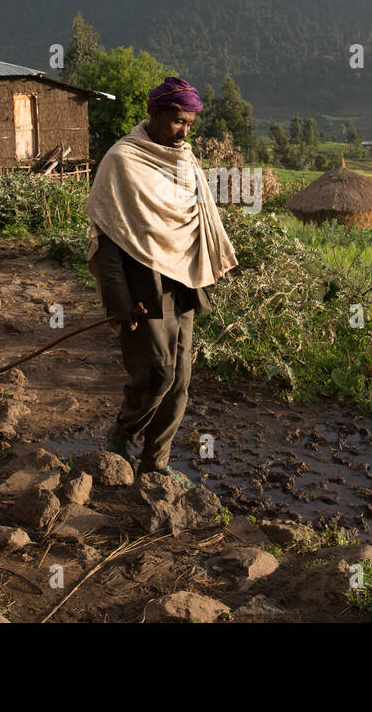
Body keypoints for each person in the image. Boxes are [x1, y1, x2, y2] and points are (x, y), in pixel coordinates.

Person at [85, 76, 238, 485]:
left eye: (189, 123)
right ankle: (121, 436)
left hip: (182, 286)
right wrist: (117, 301)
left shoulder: (185, 161)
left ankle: (155, 461)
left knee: (181, 382)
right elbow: (110, 238)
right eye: (176, 121)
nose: (184, 131)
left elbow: (192, 225)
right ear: (154, 114)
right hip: (141, 290)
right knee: (156, 375)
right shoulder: (122, 160)